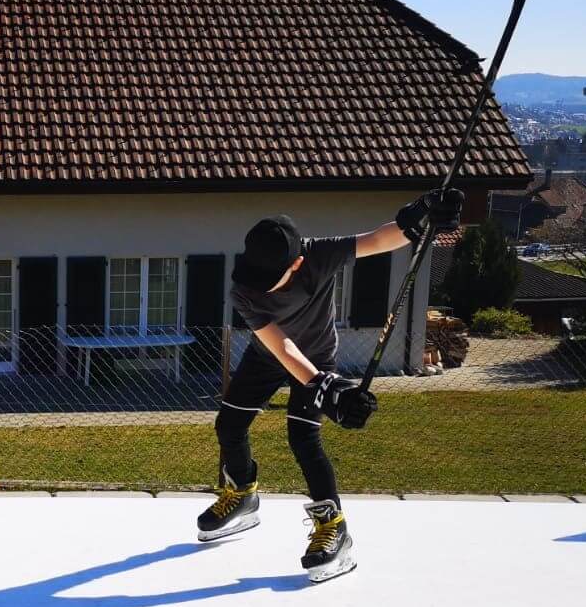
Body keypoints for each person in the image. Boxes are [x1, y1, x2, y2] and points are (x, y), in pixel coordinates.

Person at [198, 189, 464, 581]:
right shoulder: (244, 288)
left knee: (303, 440)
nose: (261, 286)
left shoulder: (321, 255)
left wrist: (419, 219)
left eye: (272, 279)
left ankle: (333, 528)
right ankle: (242, 495)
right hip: (270, 353)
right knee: (229, 426)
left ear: (298, 262)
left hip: (317, 354)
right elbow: (283, 347)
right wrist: (327, 388)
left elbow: (377, 240)